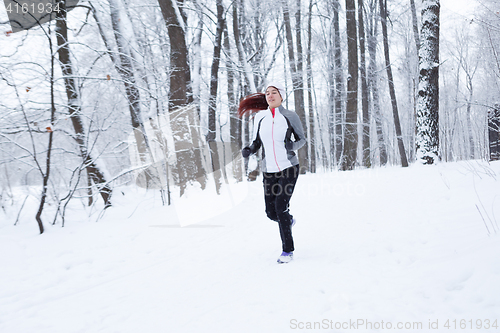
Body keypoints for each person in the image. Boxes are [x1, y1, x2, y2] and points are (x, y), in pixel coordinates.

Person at [238, 82, 306, 264]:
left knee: (281, 206)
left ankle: (288, 251)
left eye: (274, 92)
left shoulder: (290, 116)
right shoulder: (261, 119)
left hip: (289, 167)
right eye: (267, 93)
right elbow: (256, 142)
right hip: (269, 170)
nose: (270, 95)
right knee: (271, 212)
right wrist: (250, 149)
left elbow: (302, 139)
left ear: (281, 96)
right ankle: (288, 221)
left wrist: (291, 145)